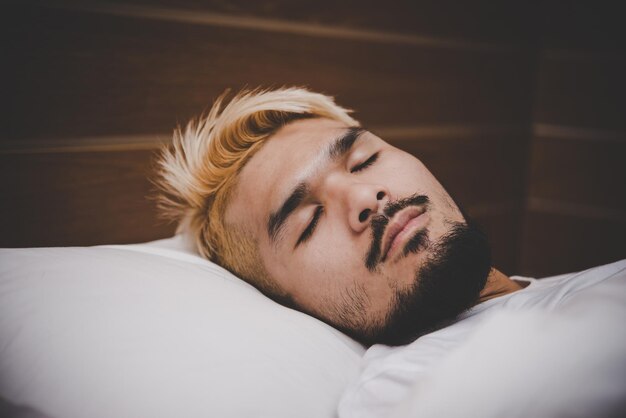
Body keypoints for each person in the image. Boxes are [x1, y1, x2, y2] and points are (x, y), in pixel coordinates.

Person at [155, 87, 626, 417]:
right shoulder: (418, 390)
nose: (365, 198)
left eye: (364, 160)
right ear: (288, 302)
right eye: (309, 221)